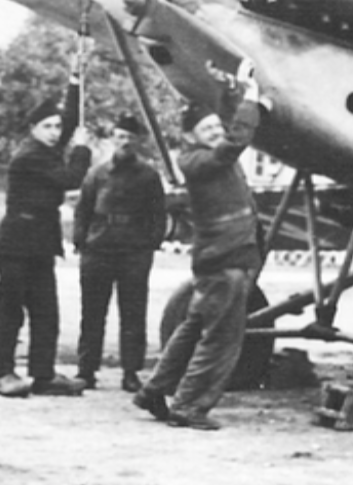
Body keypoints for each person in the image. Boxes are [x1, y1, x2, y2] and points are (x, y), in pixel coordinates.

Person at [132, 60, 265, 431]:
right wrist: (251, 100)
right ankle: (189, 406)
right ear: (190, 136)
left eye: (215, 127)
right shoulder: (199, 161)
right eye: (205, 129)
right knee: (221, 339)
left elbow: (227, 128)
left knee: (192, 329)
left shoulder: (204, 155)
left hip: (220, 261)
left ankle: (154, 390)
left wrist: (231, 87)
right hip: (226, 263)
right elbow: (234, 142)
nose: (214, 131)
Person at [0, 71, 92, 398]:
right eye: (47, 126)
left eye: (56, 127)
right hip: (17, 244)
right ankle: (3, 374)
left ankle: (43, 374)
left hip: (40, 245)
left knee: (47, 312)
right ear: (33, 129)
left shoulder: (45, 149)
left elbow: (72, 120)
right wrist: (83, 151)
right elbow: (70, 178)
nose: (55, 132)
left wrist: (76, 81)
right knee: (11, 311)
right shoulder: (31, 155)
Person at [73, 113, 167, 393]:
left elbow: (158, 215)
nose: (124, 142)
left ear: (137, 141)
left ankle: (131, 372)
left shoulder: (149, 176)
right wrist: (82, 242)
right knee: (92, 313)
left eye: (130, 137)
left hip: (133, 252)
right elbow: (83, 211)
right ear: (113, 139)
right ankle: (86, 371)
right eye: (120, 136)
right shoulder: (97, 174)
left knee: (133, 314)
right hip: (99, 249)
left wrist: (150, 243)